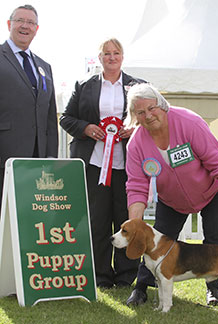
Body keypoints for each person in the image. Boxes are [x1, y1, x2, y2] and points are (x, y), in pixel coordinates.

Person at [124, 83, 218, 307]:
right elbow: (136, 186)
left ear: (161, 105)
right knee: (153, 241)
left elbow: (217, 160)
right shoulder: (136, 145)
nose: (148, 116)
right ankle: (140, 288)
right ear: (135, 116)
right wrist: (135, 224)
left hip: (211, 190)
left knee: (215, 238)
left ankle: (214, 290)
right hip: (172, 200)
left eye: (151, 108)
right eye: (140, 112)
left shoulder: (188, 122)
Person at [60, 38, 145, 289]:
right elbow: (66, 118)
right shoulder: (84, 86)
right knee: (97, 220)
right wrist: (86, 128)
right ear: (99, 58)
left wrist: (135, 127)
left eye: (116, 53)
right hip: (95, 164)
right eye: (106, 53)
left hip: (128, 165)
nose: (111, 57)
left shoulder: (137, 86)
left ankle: (126, 275)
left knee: (126, 219)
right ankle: (101, 275)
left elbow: (152, 116)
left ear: (122, 56)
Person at [0, 4, 58, 208]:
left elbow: (50, 117)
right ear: (9, 24)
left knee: (28, 215)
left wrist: (51, 156)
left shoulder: (44, 67)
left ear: (36, 29)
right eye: (20, 21)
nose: (25, 26)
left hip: (38, 160)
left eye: (31, 22)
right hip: (5, 156)